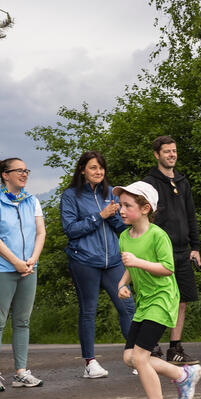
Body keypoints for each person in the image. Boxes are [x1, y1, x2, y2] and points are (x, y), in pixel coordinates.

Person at [114, 181, 201, 399]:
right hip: (144, 302)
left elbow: (167, 268)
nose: (121, 210)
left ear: (145, 208)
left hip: (163, 300)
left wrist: (138, 262)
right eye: (121, 205)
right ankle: (182, 375)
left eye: (127, 205)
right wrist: (122, 283)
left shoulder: (157, 235)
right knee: (129, 357)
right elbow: (130, 267)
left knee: (141, 357)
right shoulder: (124, 236)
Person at [60, 150, 137, 378]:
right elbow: (71, 230)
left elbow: (119, 227)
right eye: (93, 167)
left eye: (101, 167)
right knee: (88, 311)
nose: (99, 172)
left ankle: (136, 357)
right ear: (83, 169)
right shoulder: (70, 195)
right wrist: (99, 216)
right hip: (84, 260)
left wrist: (133, 222)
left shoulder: (110, 193)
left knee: (128, 307)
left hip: (113, 261)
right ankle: (90, 363)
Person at [0, 158, 46, 392]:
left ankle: (21, 372)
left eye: (26, 170)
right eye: (19, 170)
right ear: (5, 175)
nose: (24, 174)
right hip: (1, 269)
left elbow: (40, 232)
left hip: (28, 268)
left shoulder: (32, 201)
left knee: (22, 321)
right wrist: (16, 262)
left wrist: (32, 260)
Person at [142, 136, 201, 364]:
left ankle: (175, 348)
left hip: (182, 250)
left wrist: (195, 247)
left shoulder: (183, 182)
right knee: (157, 298)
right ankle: (151, 346)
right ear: (157, 154)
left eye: (174, 151)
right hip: (158, 252)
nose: (172, 155)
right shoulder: (149, 183)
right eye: (167, 151)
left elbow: (191, 216)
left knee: (181, 300)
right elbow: (146, 217)